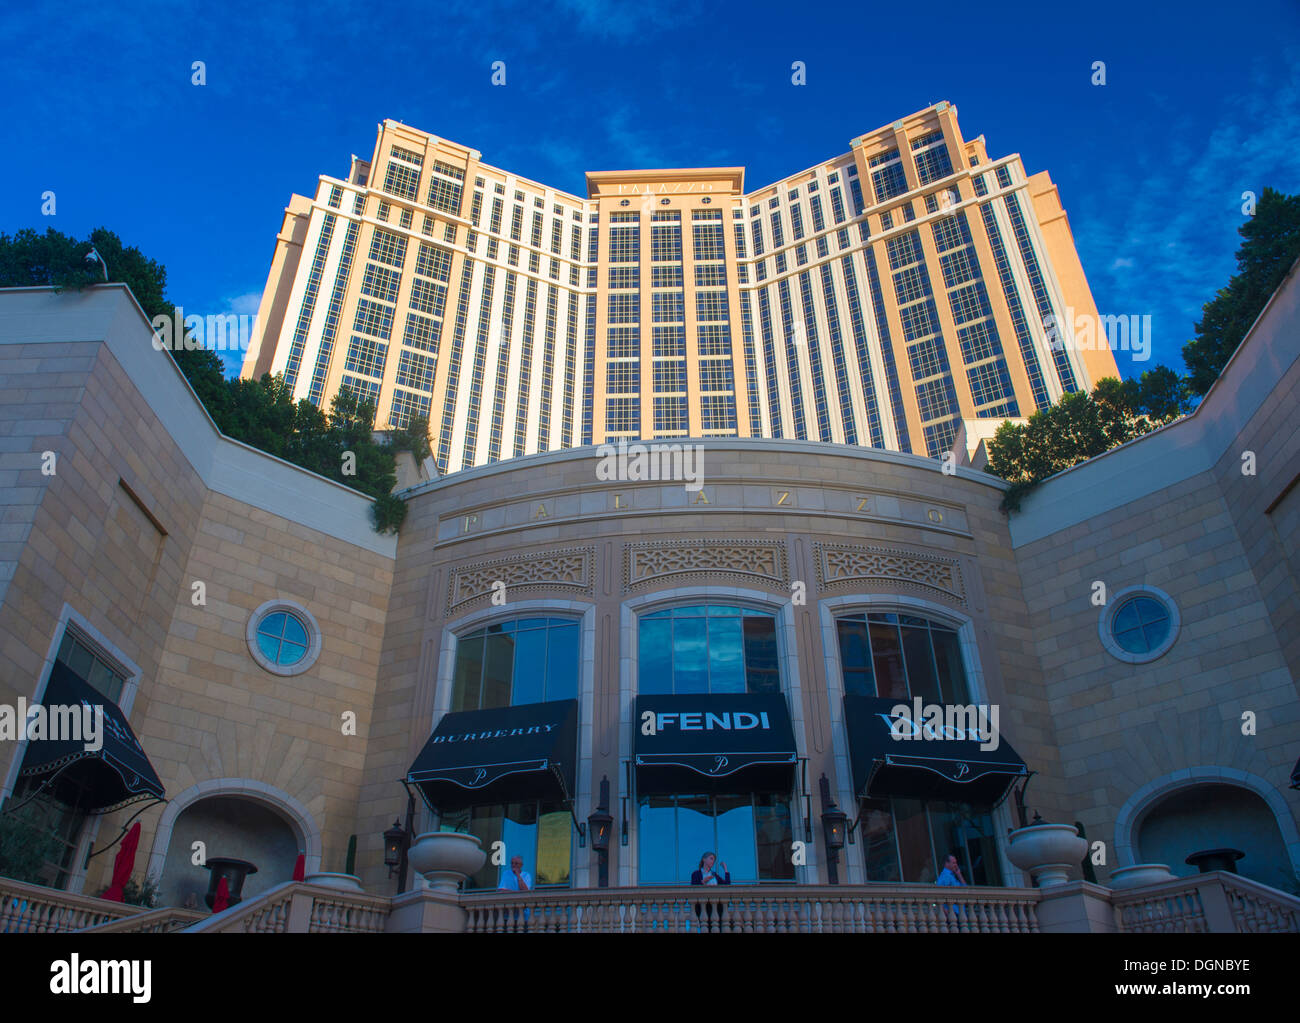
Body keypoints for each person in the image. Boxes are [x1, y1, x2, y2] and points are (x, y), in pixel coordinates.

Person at [690, 851, 730, 931]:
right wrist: (703, 882)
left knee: (717, 928)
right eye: (711, 858)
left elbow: (727, 885)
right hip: (703, 906)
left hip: (716, 906)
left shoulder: (714, 875)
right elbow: (693, 888)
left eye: (714, 860)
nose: (713, 861)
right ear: (704, 859)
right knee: (706, 928)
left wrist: (725, 869)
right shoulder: (696, 874)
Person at [936, 853, 965, 921]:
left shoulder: (952, 876)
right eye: (954, 863)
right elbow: (938, 895)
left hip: (959, 912)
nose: (956, 865)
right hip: (952, 913)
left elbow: (965, 889)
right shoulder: (945, 876)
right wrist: (945, 911)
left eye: (956, 863)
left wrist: (959, 874)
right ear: (947, 863)